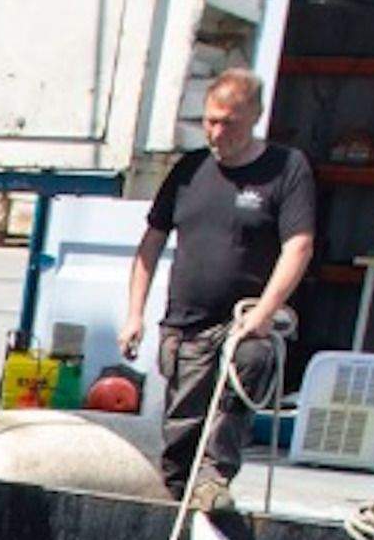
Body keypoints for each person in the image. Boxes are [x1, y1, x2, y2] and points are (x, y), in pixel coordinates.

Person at [121, 69, 321, 497]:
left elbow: (298, 245)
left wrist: (265, 313)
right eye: (209, 121)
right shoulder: (190, 170)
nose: (216, 132)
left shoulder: (286, 168)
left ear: (254, 116)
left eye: (227, 122)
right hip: (187, 322)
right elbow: (152, 241)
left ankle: (214, 482)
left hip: (243, 318)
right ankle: (174, 492)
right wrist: (134, 314)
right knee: (182, 424)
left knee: (245, 367)